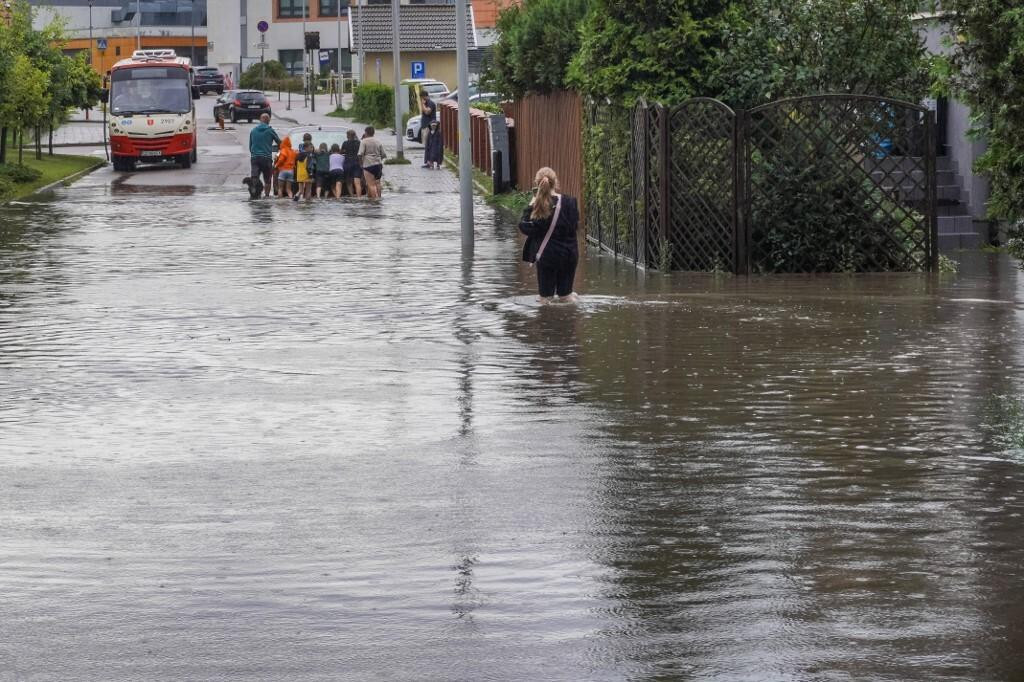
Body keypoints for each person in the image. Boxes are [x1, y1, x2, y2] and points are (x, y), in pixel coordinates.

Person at [519, 167, 581, 304]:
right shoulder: (570, 202)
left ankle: (547, 323)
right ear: (556, 182)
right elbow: (575, 226)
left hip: (548, 257)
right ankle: (570, 322)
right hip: (570, 255)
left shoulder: (539, 206)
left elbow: (524, 226)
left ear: (537, 184)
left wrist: (530, 206)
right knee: (566, 296)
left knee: (545, 299)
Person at [248, 113, 280, 198]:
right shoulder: (270, 130)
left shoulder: (253, 130)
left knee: (255, 177)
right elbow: (279, 143)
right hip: (266, 158)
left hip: (255, 158)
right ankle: (266, 196)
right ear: (268, 121)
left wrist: (254, 153)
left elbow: (250, 146)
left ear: (260, 120)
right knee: (267, 179)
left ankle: (254, 194)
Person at [358, 126, 386, 199]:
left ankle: (375, 200)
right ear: (373, 133)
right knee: (378, 183)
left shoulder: (364, 141)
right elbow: (383, 154)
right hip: (378, 164)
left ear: (366, 133)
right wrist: (379, 160)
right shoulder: (378, 141)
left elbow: (360, 154)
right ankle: (379, 198)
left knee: (371, 184)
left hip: (368, 165)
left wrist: (361, 164)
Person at [341, 129, 363, 197]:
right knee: (357, 181)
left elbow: (342, 152)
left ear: (348, 136)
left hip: (348, 163)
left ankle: (352, 195)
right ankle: (359, 196)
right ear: (354, 135)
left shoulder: (345, 143)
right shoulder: (359, 143)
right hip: (356, 162)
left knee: (348, 181)